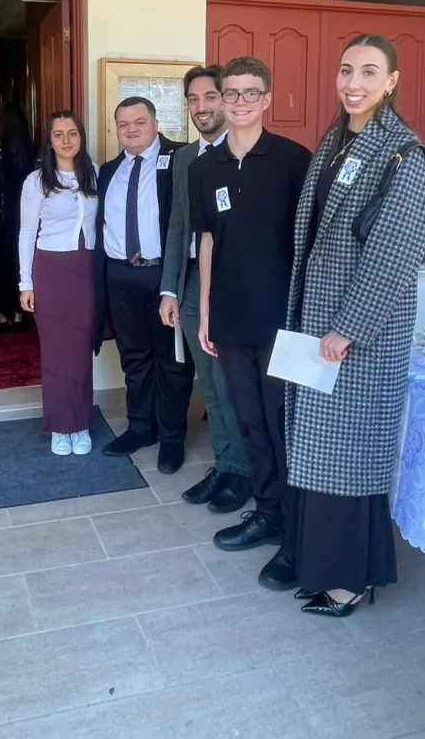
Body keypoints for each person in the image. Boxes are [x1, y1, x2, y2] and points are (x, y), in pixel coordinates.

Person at [284, 34, 425, 617]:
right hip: (318, 324)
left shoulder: (402, 151)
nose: (354, 83)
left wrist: (348, 328)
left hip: (356, 337)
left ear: (392, 81)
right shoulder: (336, 141)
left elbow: (395, 252)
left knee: (347, 458)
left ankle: (348, 582)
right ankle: (325, 568)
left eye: (370, 73)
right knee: (321, 454)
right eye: (347, 70)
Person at [189, 56, 310, 586]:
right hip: (232, 320)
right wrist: (207, 312)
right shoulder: (201, 168)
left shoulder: (292, 160)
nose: (238, 101)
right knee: (250, 421)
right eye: (229, 93)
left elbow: (311, 244)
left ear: (267, 99)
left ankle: (298, 523)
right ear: (219, 99)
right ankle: (267, 513)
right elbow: (207, 241)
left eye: (248, 92)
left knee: (285, 425)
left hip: (283, 319)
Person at [159, 66, 254, 512]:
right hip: (195, 283)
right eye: (193, 99)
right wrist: (170, 290)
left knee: (233, 385)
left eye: (210, 97)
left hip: (236, 286)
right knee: (210, 388)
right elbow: (179, 226)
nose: (202, 107)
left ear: (228, 99)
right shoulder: (183, 160)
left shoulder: (245, 153)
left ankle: (245, 471)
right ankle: (226, 464)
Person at [94, 96, 195, 474]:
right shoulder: (108, 171)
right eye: (123, 124)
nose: (131, 130)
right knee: (133, 356)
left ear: (155, 123)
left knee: (171, 360)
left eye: (139, 122)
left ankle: (171, 437)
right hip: (120, 275)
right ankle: (141, 427)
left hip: (163, 275)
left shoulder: (182, 159)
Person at [18, 111, 98, 455]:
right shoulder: (36, 181)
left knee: (80, 351)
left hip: (87, 268)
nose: (66, 140)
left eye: (72, 133)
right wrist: (26, 282)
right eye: (58, 134)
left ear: (81, 137)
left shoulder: (94, 176)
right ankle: (60, 426)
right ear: (49, 141)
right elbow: (24, 233)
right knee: (55, 352)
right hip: (50, 269)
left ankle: (80, 423)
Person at [0, 104, 36, 328]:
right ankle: (21, 312)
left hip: (4, 209)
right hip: (26, 208)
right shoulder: (31, 148)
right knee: (20, 259)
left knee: (4, 261)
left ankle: (4, 311)